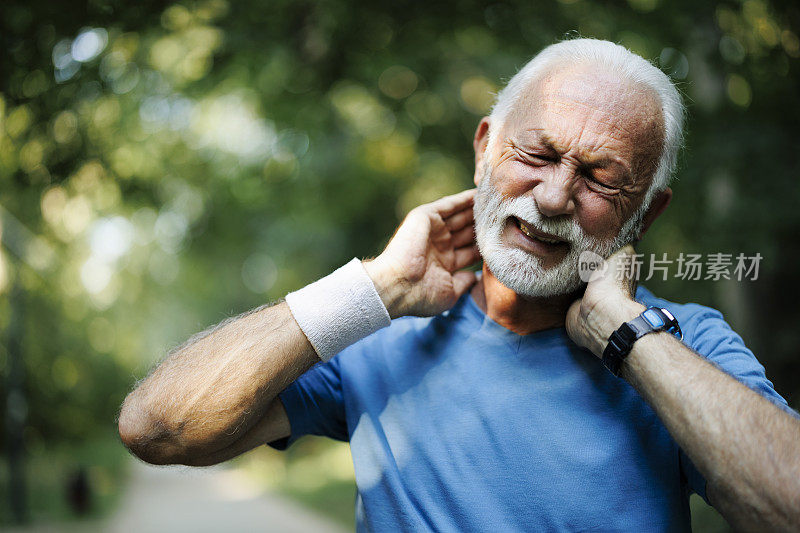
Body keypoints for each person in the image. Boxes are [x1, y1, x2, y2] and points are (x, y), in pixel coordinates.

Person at [118, 38, 800, 531]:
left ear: (645, 213)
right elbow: (159, 427)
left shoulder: (681, 343)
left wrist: (626, 333)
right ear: (483, 150)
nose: (556, 195)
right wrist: (378, 288)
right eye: (536, 153)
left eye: (600, 177)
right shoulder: (375, 332)